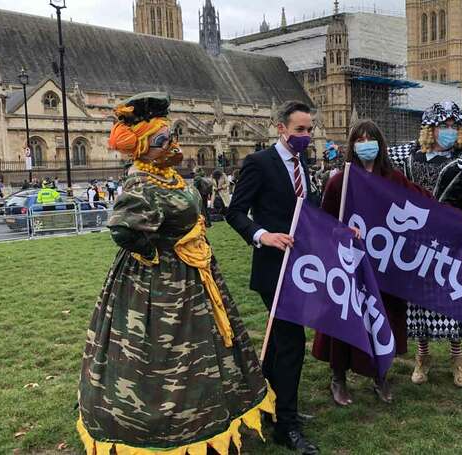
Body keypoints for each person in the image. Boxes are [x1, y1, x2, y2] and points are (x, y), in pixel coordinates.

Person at [77, 92, 275, 454]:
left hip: (195, 274)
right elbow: (123, 229)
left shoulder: (170, 178)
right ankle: (158, 426)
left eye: (172, 138)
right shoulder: (141, 183)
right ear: (143, 148)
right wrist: (158, 252)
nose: (173, 145)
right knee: (158, 353)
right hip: (160, 283)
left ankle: (213, 410)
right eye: (163, 141)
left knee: (211, 343)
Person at [386, 101, 462, 389]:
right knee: (420, 298)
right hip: (416, 238)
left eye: (454, 126)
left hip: (452, 238)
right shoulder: (407, 154)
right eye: (443, 126)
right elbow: (375, 155)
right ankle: (422, 356)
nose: (449, 131)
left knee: (452, 296)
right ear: (430, 128)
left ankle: (457, 358)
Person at [312, 119, 430, 406]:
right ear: (352, 145)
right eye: (360, 139)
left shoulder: (394, 179)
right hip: (349, 265)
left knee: (384, 319)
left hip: (385, 267)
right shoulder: (340, 180)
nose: (366, 144)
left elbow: (425, 204)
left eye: (371, 138)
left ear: (380, 143)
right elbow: (324, 222)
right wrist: (342, 233)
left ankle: (380, 375)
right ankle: (338, 377)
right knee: (345, 319)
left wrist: (460, 220)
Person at [227, 100, 319, 455]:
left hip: (301, 270)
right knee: (292, 340)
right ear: (281, 128)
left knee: (280, 342)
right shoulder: (258, 163)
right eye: (300, 130)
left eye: (309, 129)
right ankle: (287, 426)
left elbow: (308, 211)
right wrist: (261, 235)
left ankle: (269, 405)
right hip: (272, 270)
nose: (306, 136)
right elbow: (234, 211)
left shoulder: (303, 165)